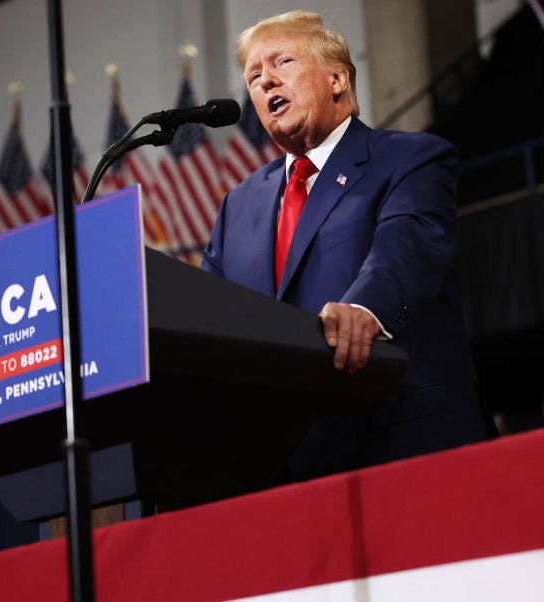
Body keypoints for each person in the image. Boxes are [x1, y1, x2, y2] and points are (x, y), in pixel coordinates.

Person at [203, 11, 491, 478]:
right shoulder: (238, 206)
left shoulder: (409, 158)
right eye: (254, 77)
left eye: (283, 62)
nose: (265, 81)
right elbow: (211, 311)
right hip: (283, 467)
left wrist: (366, 308)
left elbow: (407, 247)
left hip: (399, 443)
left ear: (337, 79)